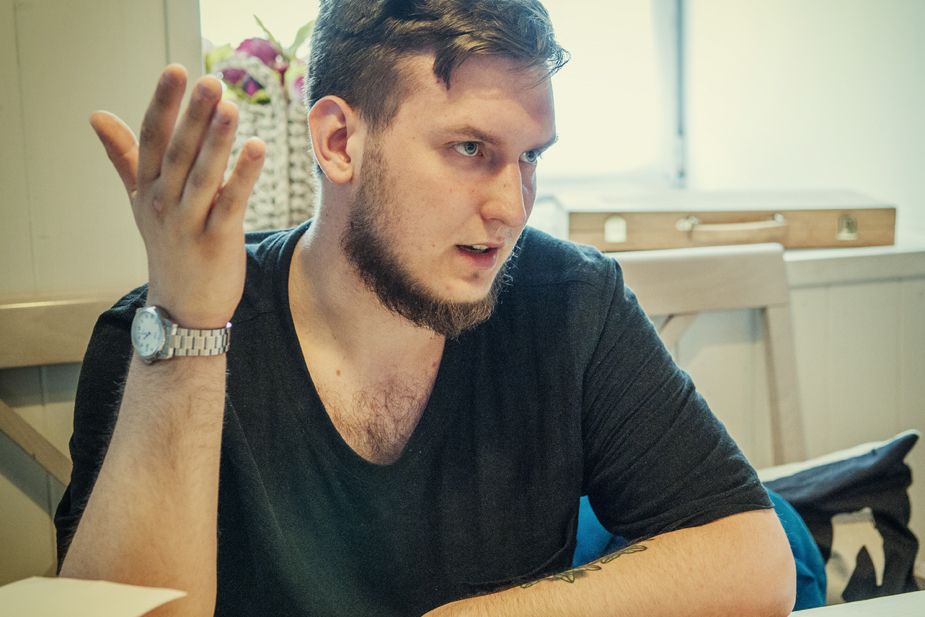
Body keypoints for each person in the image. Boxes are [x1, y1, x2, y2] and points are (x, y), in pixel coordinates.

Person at [55, 0, 796, 615]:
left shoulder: (569, 301)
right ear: (339, 141)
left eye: (530, 157)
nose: (512, 207)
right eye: (470, 148)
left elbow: (753, 557)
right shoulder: (163, 332)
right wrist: (187, 326)